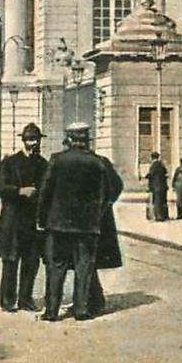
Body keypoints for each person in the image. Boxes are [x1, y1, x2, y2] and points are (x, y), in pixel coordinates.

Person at [36, 122, 122, 322]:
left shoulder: (57, 160)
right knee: (84, 267)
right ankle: (82, 310)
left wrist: (42, 220)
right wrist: (99, 210)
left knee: (56, 267)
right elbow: (116, 187)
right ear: (87, 140)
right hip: (88, 226)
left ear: (69, 139)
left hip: (58, 225)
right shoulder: (100, 162)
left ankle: (51, 311)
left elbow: (45, 192)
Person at [0, 124, 49, 313]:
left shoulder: (43, 163)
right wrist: (19, 191)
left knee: (31, 262)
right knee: (10, 261)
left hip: (33, 221)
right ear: (23, 141)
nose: (34, 143)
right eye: (30, 140)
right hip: (13, 220)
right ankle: (8, 300)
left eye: (36, 140)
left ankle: (26, 299)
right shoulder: (10, 163)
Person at [145, 152, 169, 221]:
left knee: (157, 202)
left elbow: (151, 174)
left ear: (151, 158)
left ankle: (159, 216)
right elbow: (165, 172)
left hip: (156, 186)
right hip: (163, 186)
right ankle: (164, 215)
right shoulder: (161, 165)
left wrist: (147, 176)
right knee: (162, 201)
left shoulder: (155, 165)